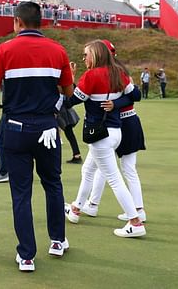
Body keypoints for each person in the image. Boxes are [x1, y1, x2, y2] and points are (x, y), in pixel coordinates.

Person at [0, 1, 74, 272]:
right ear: (40, 21)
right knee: (52, 184)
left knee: (21, 193)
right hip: (47, 129)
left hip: (15, 128)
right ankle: (57, 240)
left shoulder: (5, 49)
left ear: (17, 22)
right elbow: (68, 90)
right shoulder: (58, 51)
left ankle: (26, 255)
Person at [64, 39, 146, 239]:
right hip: (115, 132)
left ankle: (135, 221)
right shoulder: (118, 73)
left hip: (99, 134)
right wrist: (116, 101)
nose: (84, 58)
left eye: (86, 55)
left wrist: (61, 87)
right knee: (89, 169)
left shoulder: (91, 75)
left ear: (96, 55)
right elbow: (135, 94)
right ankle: (77, 208)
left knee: (114, 178)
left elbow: (72, 101)